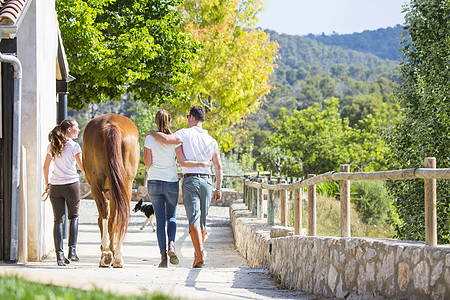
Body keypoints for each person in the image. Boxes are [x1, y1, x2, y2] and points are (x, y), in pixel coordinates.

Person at [147, 106, 223, 268]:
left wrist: (151, 132)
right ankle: (197, 256)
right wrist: (218, 188)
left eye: (188, 116)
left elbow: (165, 141)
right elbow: (218, 166)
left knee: (193, 218)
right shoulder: (212, 140)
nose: (187, 118)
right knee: (202, 220)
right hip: (207, 181)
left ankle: (199, 253)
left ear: (192, 118)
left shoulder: (183, 134)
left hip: (189, 181)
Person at [43, 119, 84, 266]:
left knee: (58, 220)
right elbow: (82, 167)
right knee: (74, 217)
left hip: (55, 186)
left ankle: (59, 256)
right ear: (68, 130)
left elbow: (45, 167)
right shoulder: (74, 146)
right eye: (76, 128)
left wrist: (47, 183)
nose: (78, 130)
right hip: (71, 185)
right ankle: (72, 251)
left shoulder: (51, 145)